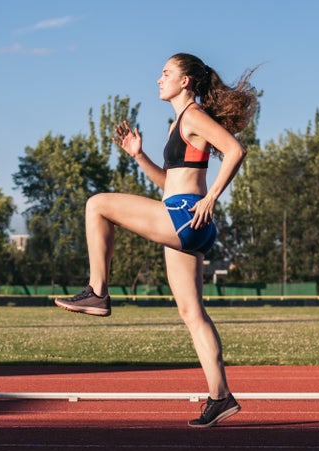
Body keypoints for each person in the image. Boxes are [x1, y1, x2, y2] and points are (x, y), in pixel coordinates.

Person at [55, 53, 258, 427]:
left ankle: (97, 291)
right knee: (192, 313)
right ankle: (220, 396)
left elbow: (236, 150)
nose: (158, 78)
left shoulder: (194, 115)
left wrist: (212, 198)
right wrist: (139, 155)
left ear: (185, 82)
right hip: (184, 217)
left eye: (166, 73)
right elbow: (170, 184)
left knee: (97, 204)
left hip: (187, 214)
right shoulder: (177, 125)